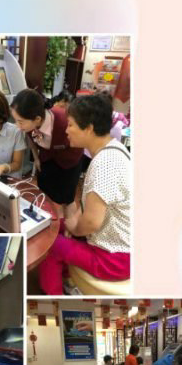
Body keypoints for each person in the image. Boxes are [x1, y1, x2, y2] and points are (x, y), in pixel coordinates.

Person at [37, 93, 130, 295]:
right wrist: (73, 225)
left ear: (88, 128)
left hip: (115, 258)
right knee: (54, 226)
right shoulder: (114, 149)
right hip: (118, 245)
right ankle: (67, 280)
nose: (66, 130)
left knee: (50, 244)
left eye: (70, 125)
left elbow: (91, 223)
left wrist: (75, 228)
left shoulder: (105, 164)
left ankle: (54, 298)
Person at [10, 88, 83, 218]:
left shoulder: (63, 120)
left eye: (20, 122)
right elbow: (31, 138)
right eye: (16, 120)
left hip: (69, 159)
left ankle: (67, 227)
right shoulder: (29, 124)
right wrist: (36, 158)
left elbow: (79, 141)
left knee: (67, 199)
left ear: (37, 119)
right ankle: (48, 221)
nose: (17, 126)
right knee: (44, 194)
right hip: (47, 158)